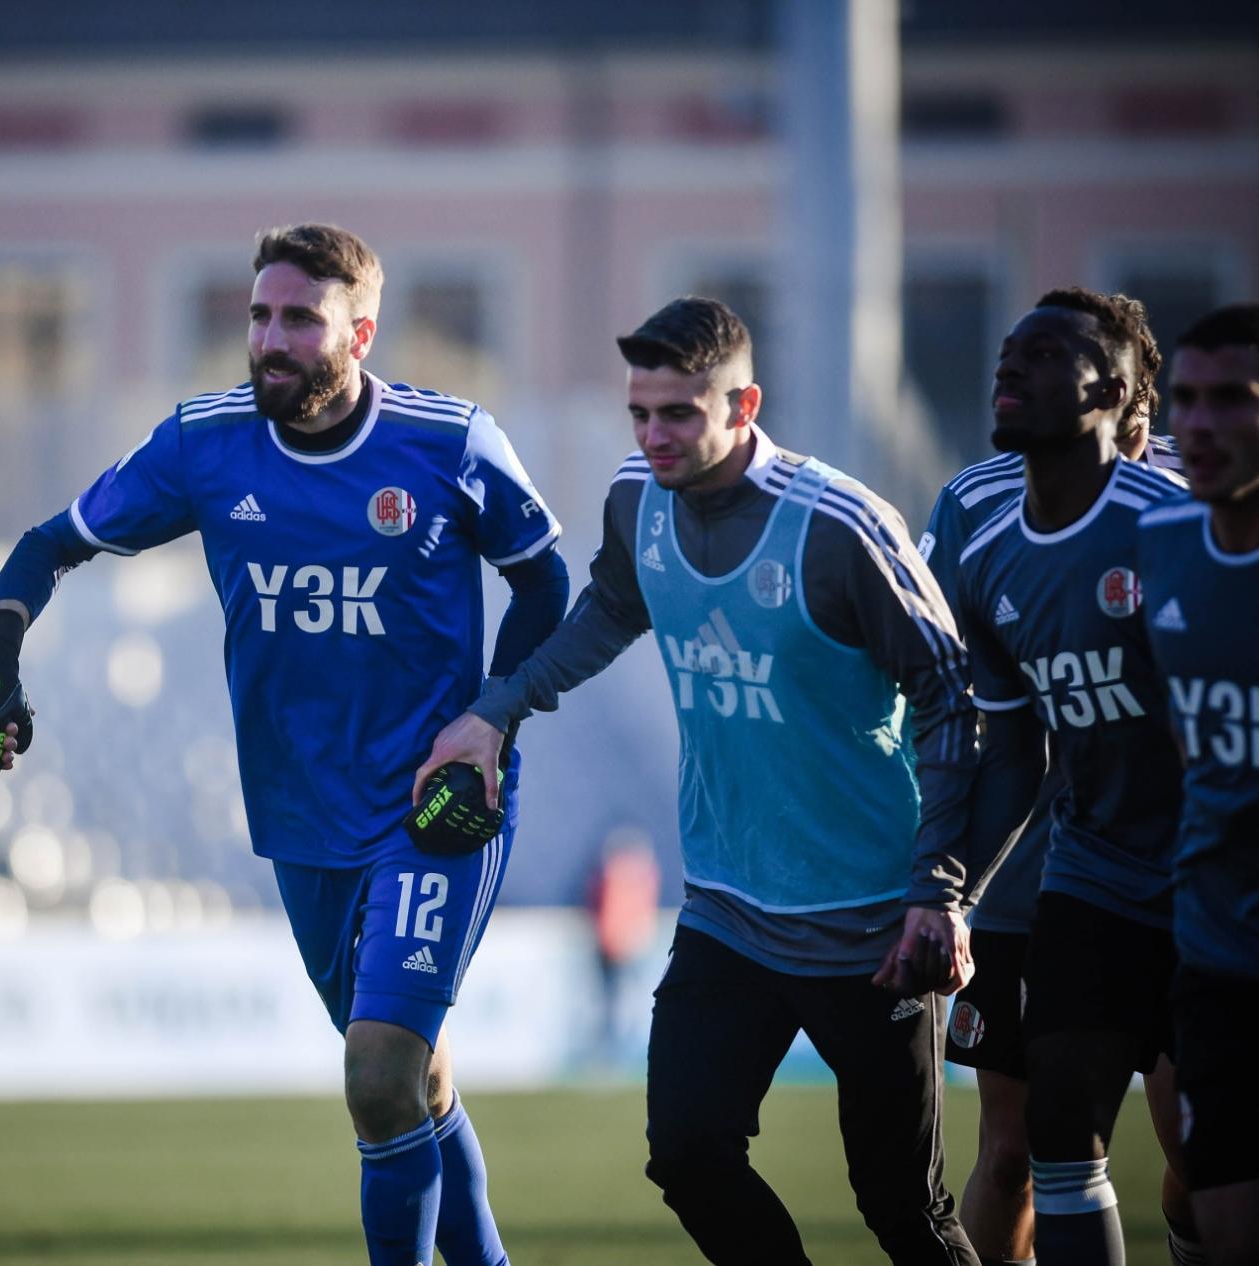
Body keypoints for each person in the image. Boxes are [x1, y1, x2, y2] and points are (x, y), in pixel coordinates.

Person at [0, 223, 568, 1266]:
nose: (270, 339)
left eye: (300, 320)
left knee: (374, 1078)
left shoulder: (450, 442)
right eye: (260, 315)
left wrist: (491, 717)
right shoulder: (202, 443)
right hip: (298, 814)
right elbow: (51, 544)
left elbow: (542, 578)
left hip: (431, 807)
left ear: (359, 332)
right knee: (417, 1081)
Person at [419, 296, 980, 1265]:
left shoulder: (838, 526)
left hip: (869, 926)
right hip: (725, 911)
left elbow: (953, 699)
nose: (652, 435)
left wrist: (939, 890)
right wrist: (494, 709)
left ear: (744, 403)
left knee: (900, 1208)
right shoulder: (636, 497)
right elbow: (606, 610)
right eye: (639, 411)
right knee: (686, 1154)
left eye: (678, 412)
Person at [923, 289, 1199, 1266]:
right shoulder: (973, 509)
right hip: (1039, 867)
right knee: (1020, 1150)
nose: (1013, 377)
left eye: (1043, 359)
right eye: (1011, 357)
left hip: (1195, 873)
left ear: (1124, 397)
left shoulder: (1183, 513)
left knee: (1198, 1157)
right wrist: (941, 874)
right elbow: (956, 697)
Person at [1138, 302, 1259, 1266]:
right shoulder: (1165, 538)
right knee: (1220, 1215)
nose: (1202, 424)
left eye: (1233, 399)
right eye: (1186, 399)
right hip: (1216, 949)